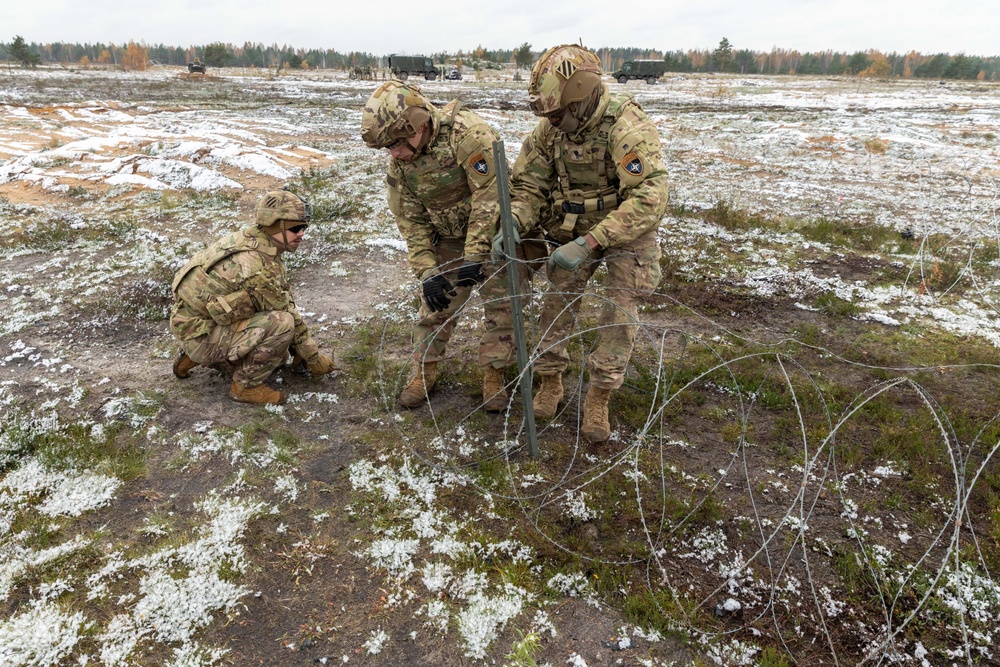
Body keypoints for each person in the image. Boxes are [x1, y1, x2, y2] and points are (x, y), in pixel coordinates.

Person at [503, 44, 669, 442]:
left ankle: (599, 395)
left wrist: (594, 241)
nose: (552, 122)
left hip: (627, 224)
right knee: (557, 302)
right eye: (549, 115)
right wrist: (513, 221)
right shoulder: (550, 130)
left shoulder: (625, 124)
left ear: (582, 97)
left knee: (619, 310)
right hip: (573, 223)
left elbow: (650, 193)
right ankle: (550, 381)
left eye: (558, 114)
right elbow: (529, 184)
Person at [361, 79, 529, 411]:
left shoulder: (468, 135)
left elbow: (490, 197)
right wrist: (427, 271)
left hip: (493, 235)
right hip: (450, 239)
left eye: (396, 143)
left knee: (503, 308)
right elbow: (410, 220)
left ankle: (494, 374)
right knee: (434, 307)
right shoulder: (402, 164)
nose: (393, 153)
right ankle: (423, 372)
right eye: (388, 148)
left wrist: (476, 254)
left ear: (416, 125)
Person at [169, 190, 337, 405]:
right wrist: (312, 357)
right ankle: (245, 387)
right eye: (295, 228)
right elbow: (285, 310)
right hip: (202, 335)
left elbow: (278, 295)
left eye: (304, 227)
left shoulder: (250, 239)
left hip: (193, 326)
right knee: (281, 326)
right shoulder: (256, 265)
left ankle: (193, 355)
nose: (302, 234)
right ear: (275, 226)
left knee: (274, 331)